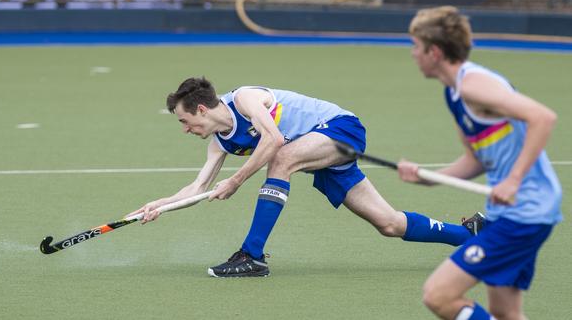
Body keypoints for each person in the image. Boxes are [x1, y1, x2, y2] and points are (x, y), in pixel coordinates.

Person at [126, 77, 484, 278]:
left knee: (280, 158)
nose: (185, 129)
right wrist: (157, 206)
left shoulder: (246, 100)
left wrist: (235, 182)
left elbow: (274, 139)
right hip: (316, 152)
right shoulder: (220, 142)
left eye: (184, 121)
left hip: (339, 130)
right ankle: (471, 236)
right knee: (388, 223)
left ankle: (252, 256)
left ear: (201, 109)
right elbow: (197, 187)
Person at [399, 6, 562, 319]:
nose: (413, 54)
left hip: (525, 211)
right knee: (506, 312)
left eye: (416, 47)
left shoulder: (474, 84)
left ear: (434, 52)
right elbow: (476, 160)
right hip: (511, 212)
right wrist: (427, 177)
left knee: (439, 295)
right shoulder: (454, 94)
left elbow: (543, 118)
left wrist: (513, 180)